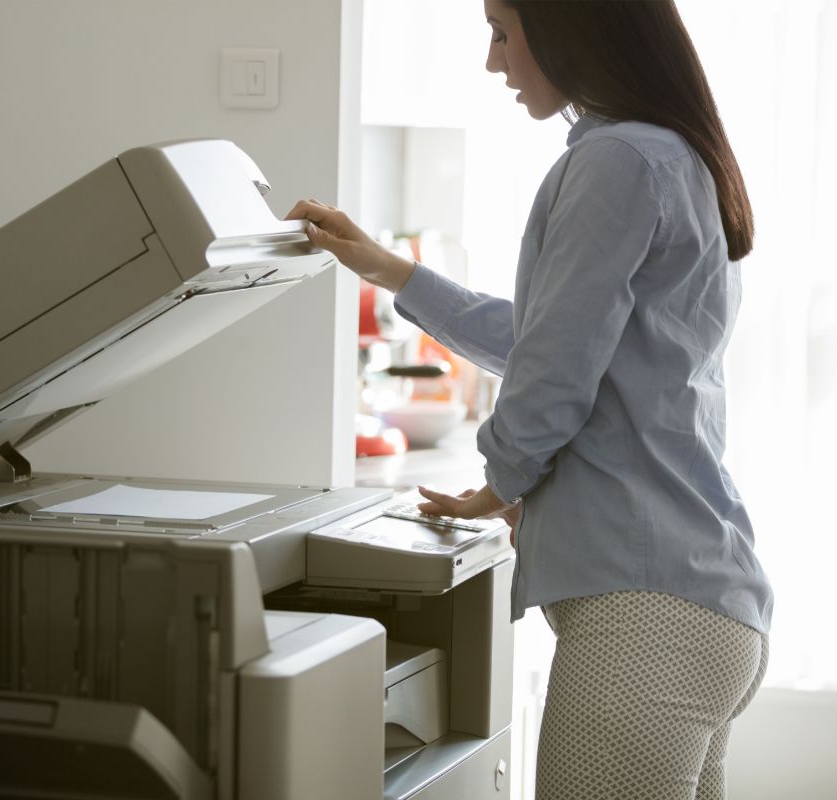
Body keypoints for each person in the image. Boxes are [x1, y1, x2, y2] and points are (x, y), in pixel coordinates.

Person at [287, 1, 773, 798]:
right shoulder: (670, 153)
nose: (494, 61)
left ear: (569, 26)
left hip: (644, 620)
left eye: (503, 32)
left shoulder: (617, 160)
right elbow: (553, 334)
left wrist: (502, 479)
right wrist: (385, 267)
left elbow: (554, 362)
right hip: (705, 603)